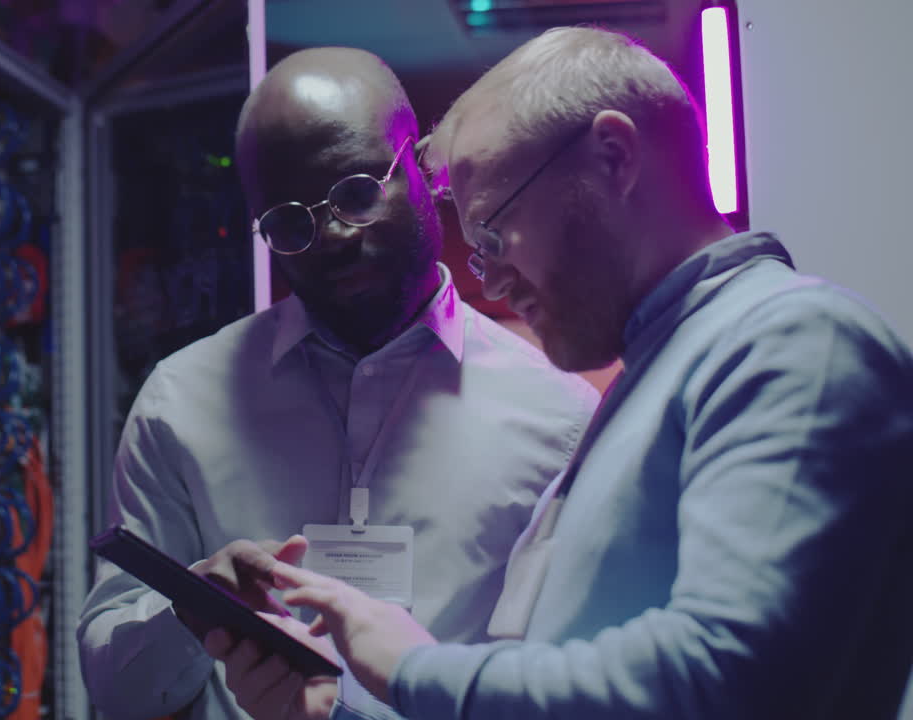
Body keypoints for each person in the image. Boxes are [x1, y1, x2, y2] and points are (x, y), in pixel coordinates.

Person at [206, 26, 913, 719]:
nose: (489, 276)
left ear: (613, 157)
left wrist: (415, 669)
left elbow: (732, 682)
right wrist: (341, 710)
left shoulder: (794, 341)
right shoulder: (654, 378)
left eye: (492, 232)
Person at [77, 46, 600, 719]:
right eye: (290, 222)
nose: (330, 235)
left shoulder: (557, 413)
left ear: (423, 168)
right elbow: (116, 694)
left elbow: (579, 687)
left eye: (355, 193)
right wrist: (192, 610)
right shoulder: (179, 404)